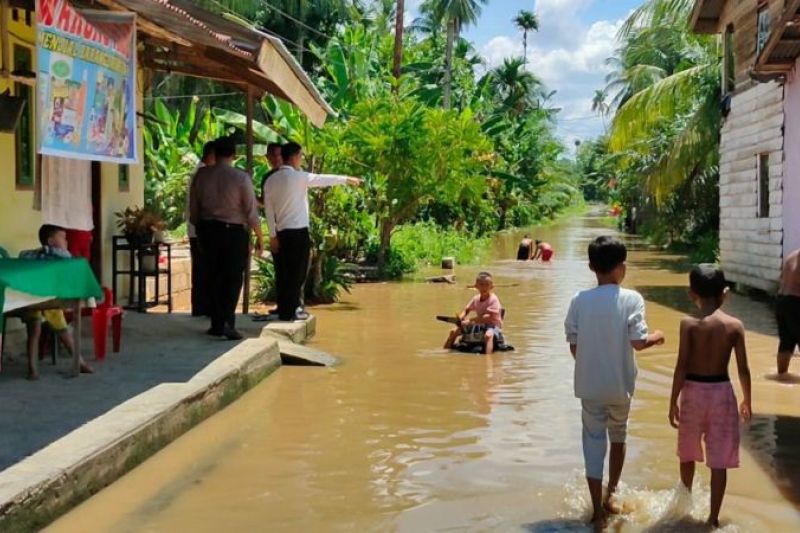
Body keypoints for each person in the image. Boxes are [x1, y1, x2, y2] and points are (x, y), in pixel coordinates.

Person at [564, 236, 664, 529]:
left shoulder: (579, 301)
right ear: (623, 266)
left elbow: (574, 347)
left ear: (591, 266)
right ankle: (612, 494)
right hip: (621, 386)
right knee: (618, 436)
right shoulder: (631, 298)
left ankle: (597, 511)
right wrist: (657, 336)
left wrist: (592, 363)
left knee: (592, 443)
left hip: (589, 387)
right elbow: (638, 342)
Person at [668, 264, 752, 529]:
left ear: (692, 293)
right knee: (719, 461)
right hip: (721, 395)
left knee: (687, 453)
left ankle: (686, 504)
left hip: (692, 393)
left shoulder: (688, 324)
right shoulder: (734, 325)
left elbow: (681, 365)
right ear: (725, 293)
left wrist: (672, 400)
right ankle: (713, 519)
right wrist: (747, 400)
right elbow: (743, 369)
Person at [262, 142, 361, 322]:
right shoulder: (299, 177)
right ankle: (290, 311)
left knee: (284, 272)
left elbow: (268, 211)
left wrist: (272, 235)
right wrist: (346, 179)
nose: (301, 159)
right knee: (297, 273)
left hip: (281, 233)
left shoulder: (270, 180)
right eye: (300, 156)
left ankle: (285, 308)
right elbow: (323, 179)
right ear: (293, 157)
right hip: (298, 233)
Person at [189, 136, 264, 340]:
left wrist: (200, 226)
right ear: (233, 155)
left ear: (215, 153)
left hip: (207, 230)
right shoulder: (240, 177)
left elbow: (193, 208)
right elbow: (251, 212)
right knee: (232, 278)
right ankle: (227, 322)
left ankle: (217, 323)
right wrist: (260, 237)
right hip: (233, 232)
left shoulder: (202, 176)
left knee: (213, 276)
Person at [19, 225, 94, 380]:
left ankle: (79, 362)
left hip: (50, 300)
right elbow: (22, 256)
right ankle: (32, 369)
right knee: (35, 330)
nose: (66, 241)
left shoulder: (61, 257)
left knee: (63, 332)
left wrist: (49, 251)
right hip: (32, 298)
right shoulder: (42, 255)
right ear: (51, 241)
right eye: (63, 238)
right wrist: (45, 251)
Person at [186, 140, 216, 317]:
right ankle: (201, 307)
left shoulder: (201, 173)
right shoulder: (202, 174)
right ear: (211, 156)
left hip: (198, 229)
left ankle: (201, 306)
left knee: (202, 269)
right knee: (202, 270)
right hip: (200, 229)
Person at [444, 272, 504, 355]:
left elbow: (488, 316)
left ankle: (488, 358)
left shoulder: (493, 299)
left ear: (491, 286)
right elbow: (466, 310)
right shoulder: (476, 298)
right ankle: (445, 352)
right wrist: (460, 319)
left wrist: (470, 321)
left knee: (488, 336)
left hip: (493, 325)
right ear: (476, 286)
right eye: (481, 285)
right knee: (453, 332)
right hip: (478, 324)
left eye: (487, 285)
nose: (484, 287)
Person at [260, 143, 284, 317]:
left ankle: (294, 304)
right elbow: (264, 204)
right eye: (272, 156)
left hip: (291, 226)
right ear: (267, 158)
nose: (276, 159)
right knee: (280, 269)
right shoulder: (267, 178)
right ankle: (282, 304)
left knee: (293, 270)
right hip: (275, 227)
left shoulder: (291, 175)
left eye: (278, 155)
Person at [776, 248, 800, 376]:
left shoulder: (792, 256)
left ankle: (782, 375)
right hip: (796, 301)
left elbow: (780, 279)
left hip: (781, 301)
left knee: (786, 342)